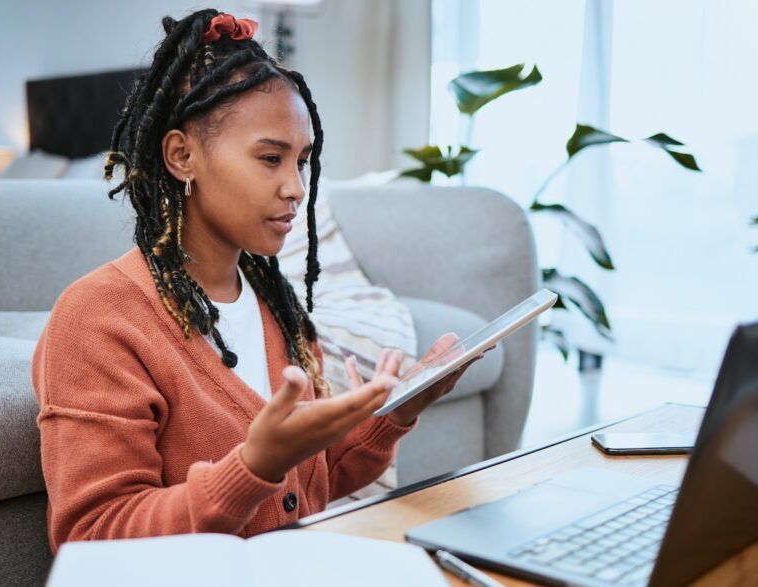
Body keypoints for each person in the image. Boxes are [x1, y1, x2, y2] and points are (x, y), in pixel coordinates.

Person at [31, 9, 486, 553]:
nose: (295, 187)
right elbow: (93, 537)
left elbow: (309, 484)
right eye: (271, 158)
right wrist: (253, 466)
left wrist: (398, 412)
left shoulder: (278, 306)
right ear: (182, 156)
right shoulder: (98, 318)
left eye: (302, 161)